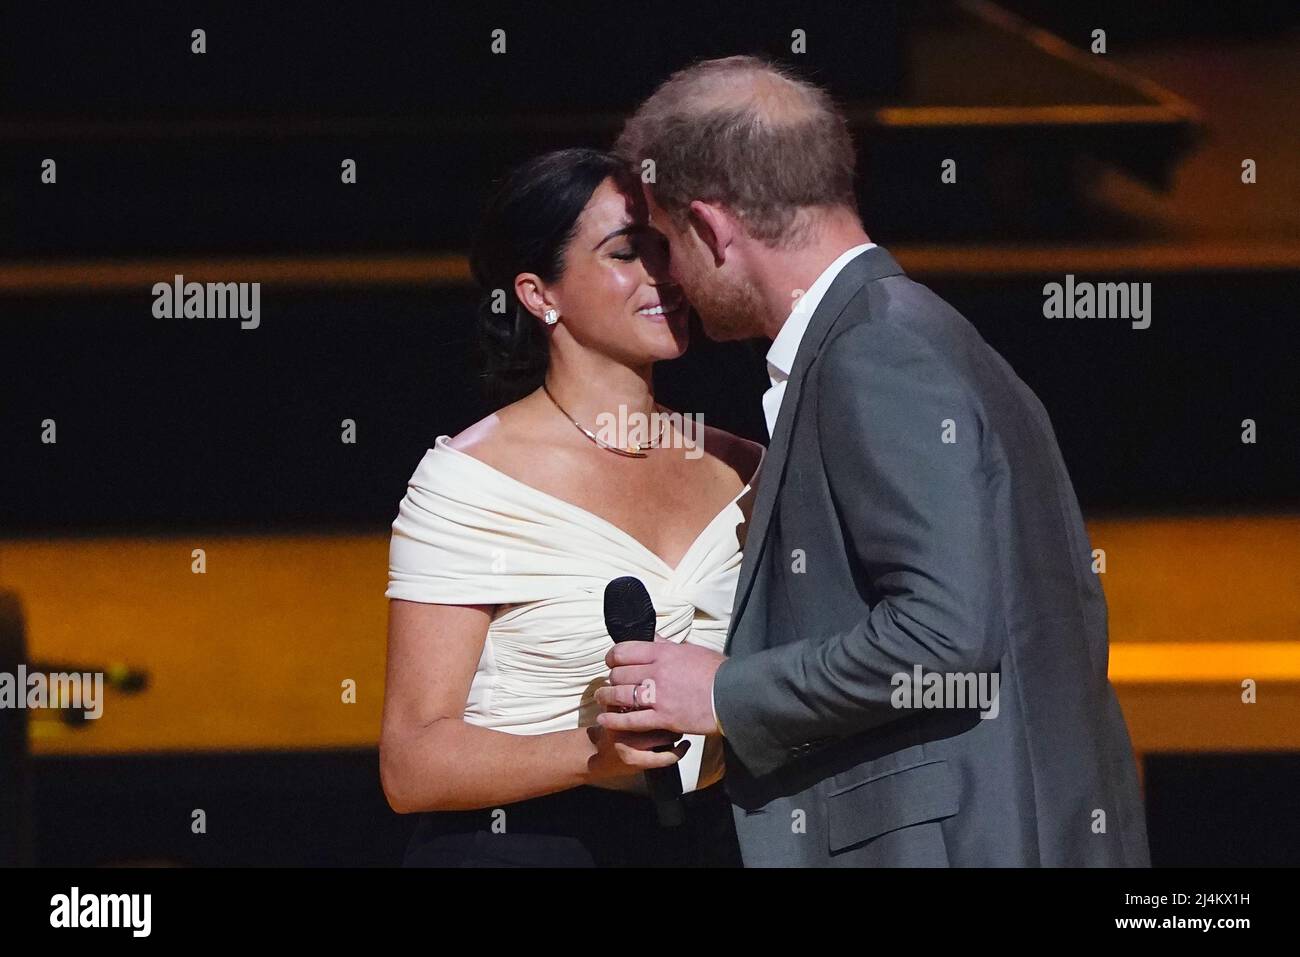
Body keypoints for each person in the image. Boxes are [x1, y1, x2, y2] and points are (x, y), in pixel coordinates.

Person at [597, 55, 1151, 867]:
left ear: (714, 229)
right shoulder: (924, 332)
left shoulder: (875, 356)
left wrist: (719, 691)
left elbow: (944, 633)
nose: (666, 274)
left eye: (665, 241)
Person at [380, 147, 763, 866]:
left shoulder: (744, 466)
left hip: (705, 844)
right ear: (537, 294)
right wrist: (593, 754)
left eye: (665, 246)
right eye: (626, 251)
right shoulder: (469, 480)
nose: (662, 273)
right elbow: (410, 764)